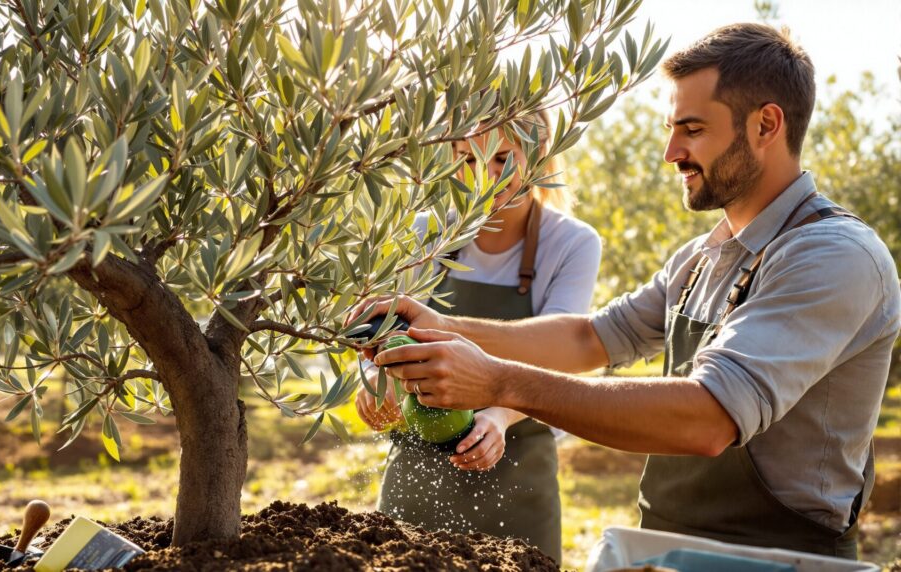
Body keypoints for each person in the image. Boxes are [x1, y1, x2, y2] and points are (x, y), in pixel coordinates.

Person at [352, 23, 901, 559]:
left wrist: (499, 382)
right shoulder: (700, 259)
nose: (670, 152)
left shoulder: (831, 256)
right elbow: (590, 338)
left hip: (775, 559)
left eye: (692, 129)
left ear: (766, 124)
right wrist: (446, 326)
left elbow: (709, 417)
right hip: (664, 546)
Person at [354, 111, 602, 562]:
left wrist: (500, 418)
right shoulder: (424, 233)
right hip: (417, 467)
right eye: (468, 160)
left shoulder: (571, 244)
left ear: (539, 153)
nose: (485, 178)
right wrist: (374, 378)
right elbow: (383, 330)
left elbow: (561, 352)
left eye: (503, 158)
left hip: (519, 469)